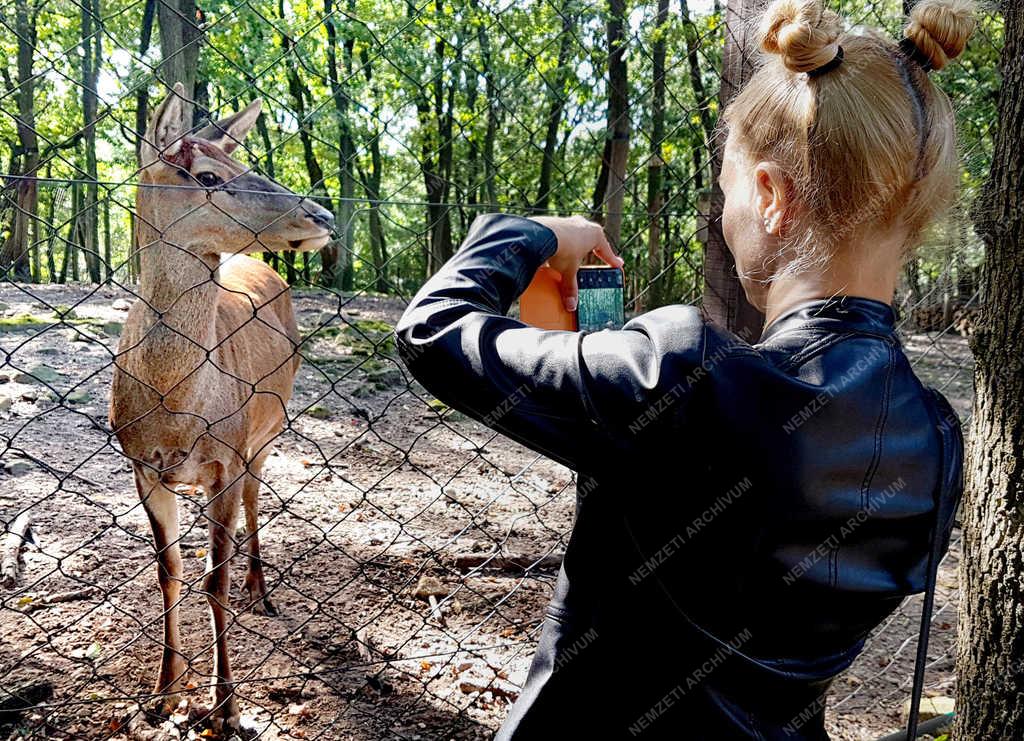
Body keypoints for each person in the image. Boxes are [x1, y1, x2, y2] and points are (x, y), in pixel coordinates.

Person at [395, 0, 976, 737]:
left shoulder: (679, 371)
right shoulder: (937, 441)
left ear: (769, 196)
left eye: (727, 192)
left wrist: (530, 233)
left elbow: (431, 331)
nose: (723, 213)